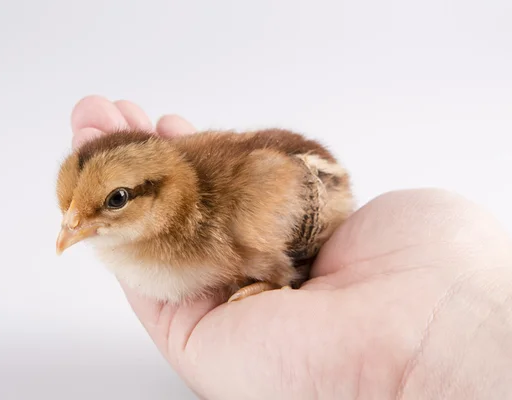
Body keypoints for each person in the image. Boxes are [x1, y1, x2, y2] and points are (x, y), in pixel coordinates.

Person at [70, 96, 512, 399]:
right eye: (69, 209)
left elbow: (286, 180)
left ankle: (273, 276)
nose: (71, 227)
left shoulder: (240, 216)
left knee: (254, 215)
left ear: (158, 196)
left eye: (115, 200)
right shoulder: (149, 223)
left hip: (304, 179)